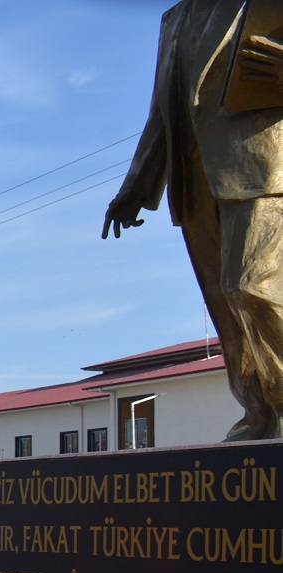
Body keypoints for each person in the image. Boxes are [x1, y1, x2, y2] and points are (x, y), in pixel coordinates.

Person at [104, 0, 283, 440]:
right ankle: (257, 410)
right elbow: (162, 111)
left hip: (261, 164)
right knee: (225, 311)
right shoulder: (174, 20)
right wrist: (137, 186)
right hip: (195, 178)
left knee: (250, 283)